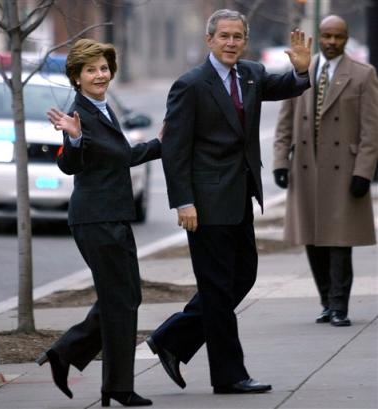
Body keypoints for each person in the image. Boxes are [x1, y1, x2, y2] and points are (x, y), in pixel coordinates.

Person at [146, 9, 311, 394]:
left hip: (239, 196)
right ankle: (229, 375)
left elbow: (283, 85)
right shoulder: (190, 84)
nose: (232, 43)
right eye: (224, 36)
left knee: (243, 276)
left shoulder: (250, 74)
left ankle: (172, 338)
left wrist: (301, 73)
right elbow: (174, 150)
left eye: (238, 36)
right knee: (217, 289)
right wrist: (183, 202)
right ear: (209, 40)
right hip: (204, 204)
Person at [36, 39, 161, 407]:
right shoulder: (80, 115)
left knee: (126, 297)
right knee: (120, 300)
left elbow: (116, 155)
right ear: (76, 77)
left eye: (104, 68)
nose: (100, 74)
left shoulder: (101, 108)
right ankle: (116, 386)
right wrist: (73, 140)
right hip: (96, 218)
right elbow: (71, 163)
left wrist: (159, 143)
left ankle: (67, 353)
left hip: (113, 215)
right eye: (90, 70)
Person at [273, 15, 378, 327]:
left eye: (338, 37)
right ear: (319, 36)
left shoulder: (363, 74)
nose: (332, 42)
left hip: (344, 170)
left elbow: (371, 130)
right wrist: (280, 161)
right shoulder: (301, 71)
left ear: (346, 39)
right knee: (313, 238)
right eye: (327, 36)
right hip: (306, 168)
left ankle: (339, 306)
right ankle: (324, 301)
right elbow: (284, 120)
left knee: (339, 240)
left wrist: (364, 171)